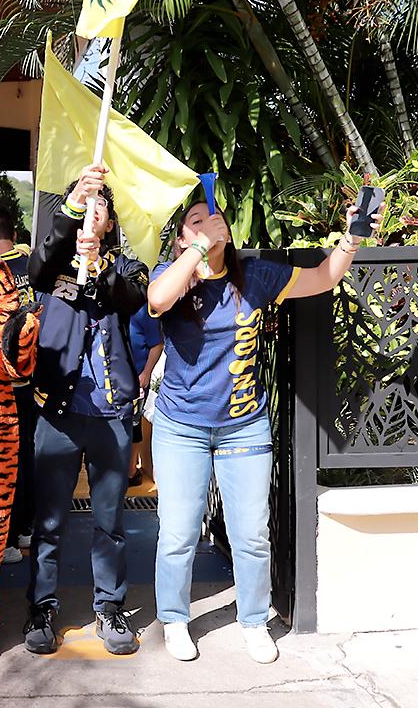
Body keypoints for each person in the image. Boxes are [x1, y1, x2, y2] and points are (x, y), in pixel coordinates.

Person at [147, 199, 380, 664]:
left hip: (243, 427)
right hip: (181, 427)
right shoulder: (171, 276)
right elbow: (157, 300)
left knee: (252, 533)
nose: (209, 224)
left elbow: (323, 277)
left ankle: (254, 620)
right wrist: (198, 250)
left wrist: (352, 238)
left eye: (214, 218)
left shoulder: (255, 276)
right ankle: (174, 618)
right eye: (195, 221)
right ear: (180, 239)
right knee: (177, 533)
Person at [23, 166, 148, 656]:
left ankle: (110, 607)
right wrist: (74, 202)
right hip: (56, 411)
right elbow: (38, 266)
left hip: (111, 414)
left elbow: (129, 298)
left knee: (110, 521)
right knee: (49, 521)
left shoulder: (128, 268)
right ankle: (41, 608)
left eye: (101, 208)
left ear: (111, 222)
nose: (92, 214)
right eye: (84, 207)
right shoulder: (53, 266)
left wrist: (97, 265)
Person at [0, 204, 35, 565]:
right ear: (13, 234)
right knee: (26, 457)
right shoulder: (33, 266)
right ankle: (26, 527)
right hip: (31, 382)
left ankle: (3, 540)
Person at [127, 304, 163, 486]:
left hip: (137, 379)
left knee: (134, 423)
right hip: (111, 381)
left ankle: (131, 471)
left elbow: (157, 344)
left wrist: (146, 373)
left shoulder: (143, 310)